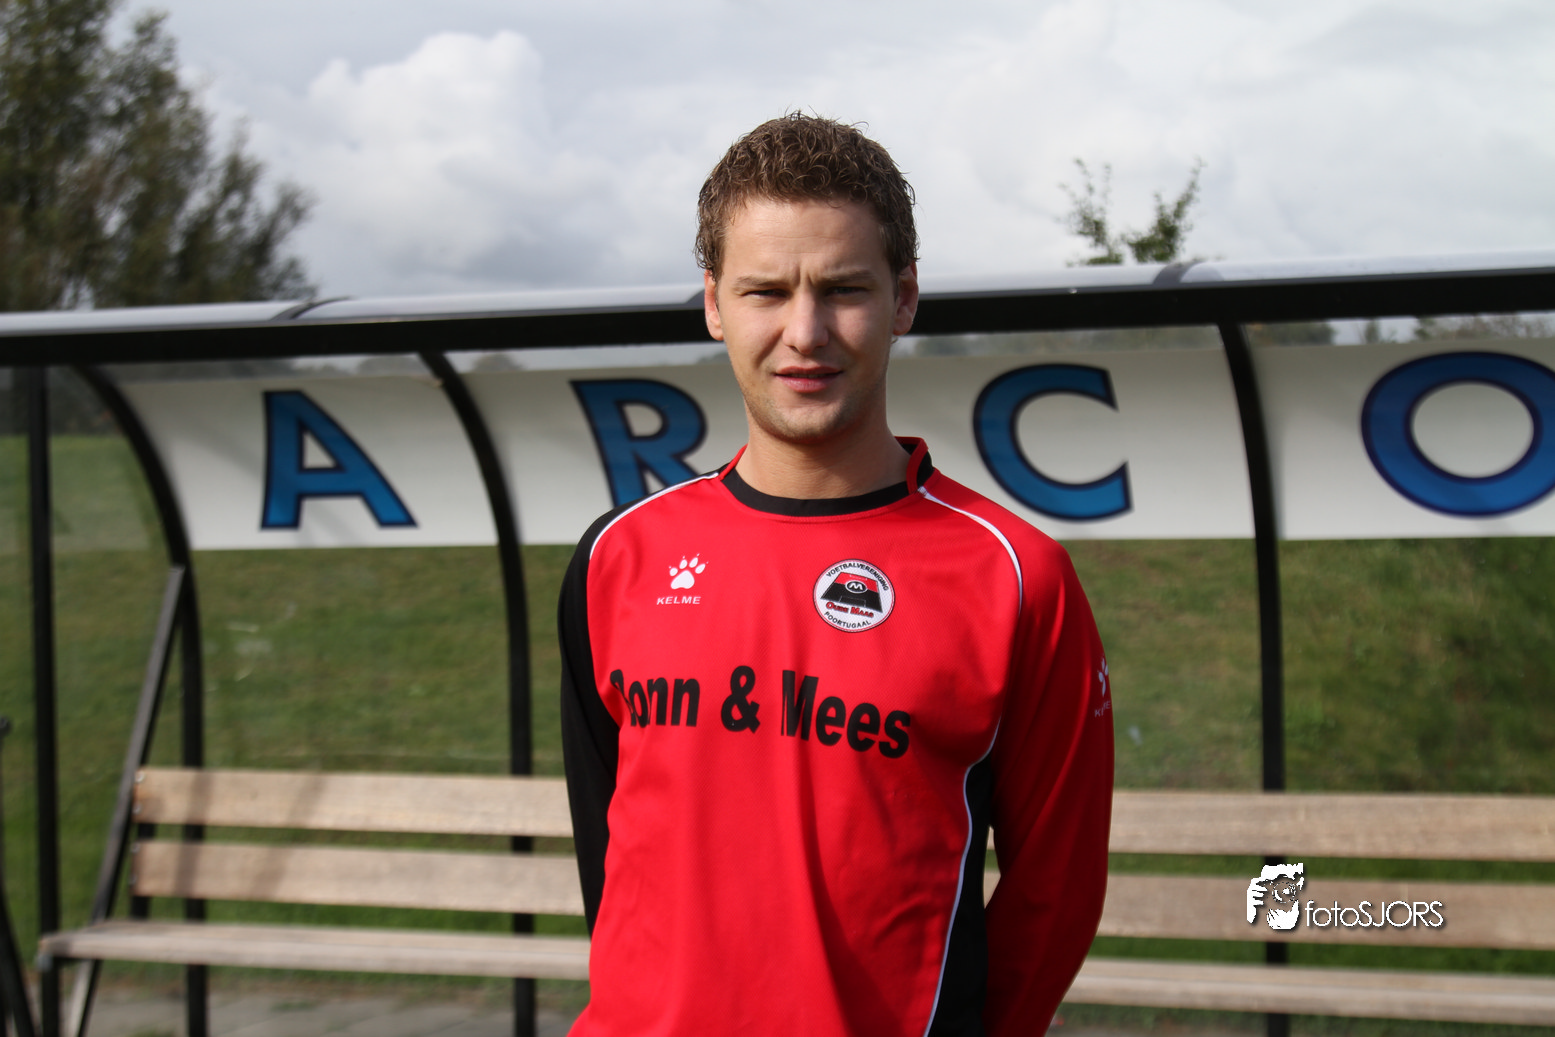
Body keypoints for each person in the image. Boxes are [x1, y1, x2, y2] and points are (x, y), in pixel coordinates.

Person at [560, 113, 1113, 1036]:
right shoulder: (619, 555)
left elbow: (1054, 895)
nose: (804, 332)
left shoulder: (1018, 577)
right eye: (765, 291)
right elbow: (611, 863)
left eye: (843, 289)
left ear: (903, 299)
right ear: (714, 303)